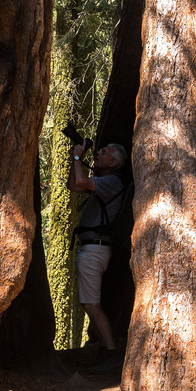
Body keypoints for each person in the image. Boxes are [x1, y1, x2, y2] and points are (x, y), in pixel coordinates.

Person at [68, 138, 129, 373]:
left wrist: (77, 158)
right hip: (92, 248)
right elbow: (74, 186)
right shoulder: (105, 182)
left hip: (95, 249)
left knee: (92, 304)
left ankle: (112, 353)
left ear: (113, 162)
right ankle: (107, 349)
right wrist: (77, 160)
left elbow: (81, 180)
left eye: (103, 151)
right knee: (89, 303)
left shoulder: (111, 182)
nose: (98, 153)